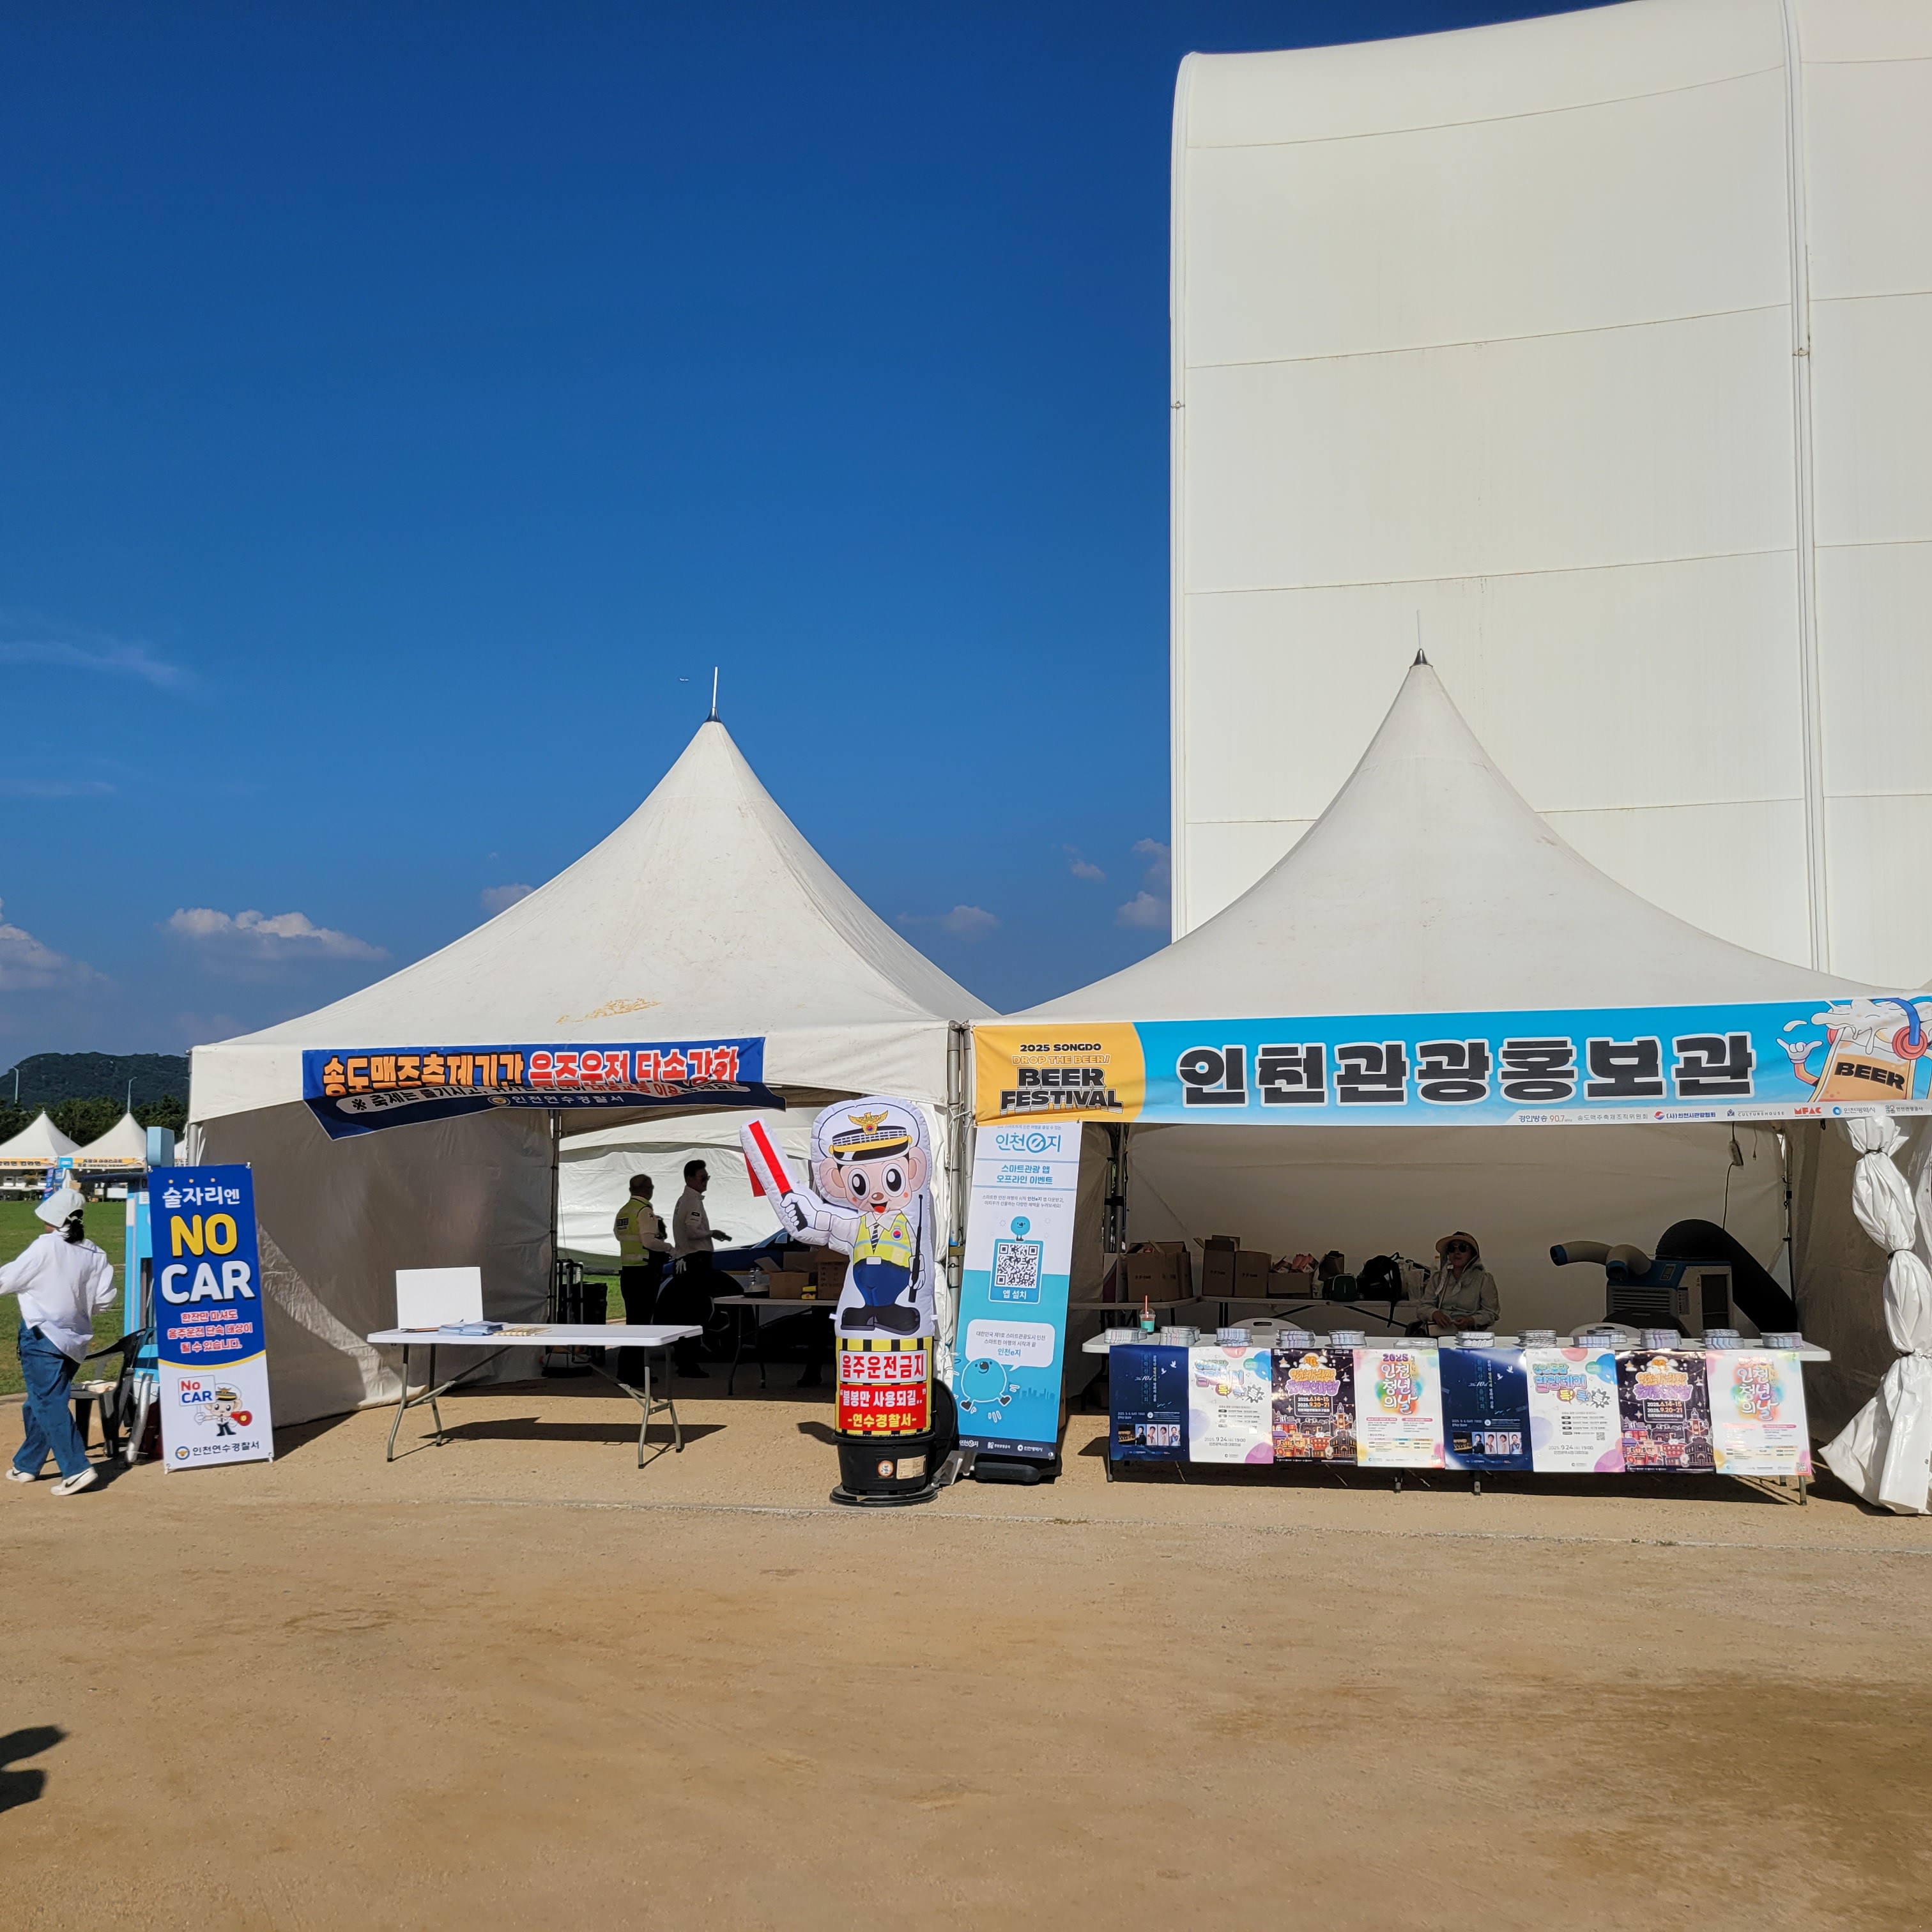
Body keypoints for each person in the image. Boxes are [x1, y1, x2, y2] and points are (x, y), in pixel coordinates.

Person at [1, 1185, 117, 1494]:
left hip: (42, 1336)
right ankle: (27, 1464)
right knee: (40, 1401)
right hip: (75, 1339)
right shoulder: (95, 1252)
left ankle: (76, 1468)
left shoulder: (45, 1247)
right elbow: (105, 1300)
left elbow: (6, 1280)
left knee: (47, 1402)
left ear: (50, 1217)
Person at [659, 1159, 732, 1378]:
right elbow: (691, 1232)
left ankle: (685, 1359)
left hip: (686, 1262)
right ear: (690, 1178)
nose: (706, 1181)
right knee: (694, 1313)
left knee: (686, 1313)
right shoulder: (692, 1202)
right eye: (702, 1177)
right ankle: (688, 1362)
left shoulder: (684, 1199)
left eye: (707, 1177)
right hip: (694, 1262)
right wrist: (711, 1233)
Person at [611, 1174, 671, 1383]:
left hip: (628, 1272)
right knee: (641, 1324)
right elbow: (649, 1242)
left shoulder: (624, 1211)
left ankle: (627, 1369)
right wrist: (668, 1247)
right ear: (648, 1189)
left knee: (633, 1322)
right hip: (645, 1272)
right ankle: (633, 1372)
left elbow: (621, 1237)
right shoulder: (644, 1211)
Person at [1418, 1232, 1500, 1336]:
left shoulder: (1484, 1279)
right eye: (1452, 1248)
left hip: (1469, 1336)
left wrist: (1471, 1320)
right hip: (1436, 1334)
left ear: (1472, 1254)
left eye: (1462, 1248)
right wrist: (1435, 1314)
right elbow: (1423, 1307)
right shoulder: (1438, 1278)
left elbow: (1491, 1313)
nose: (1457, 1253)